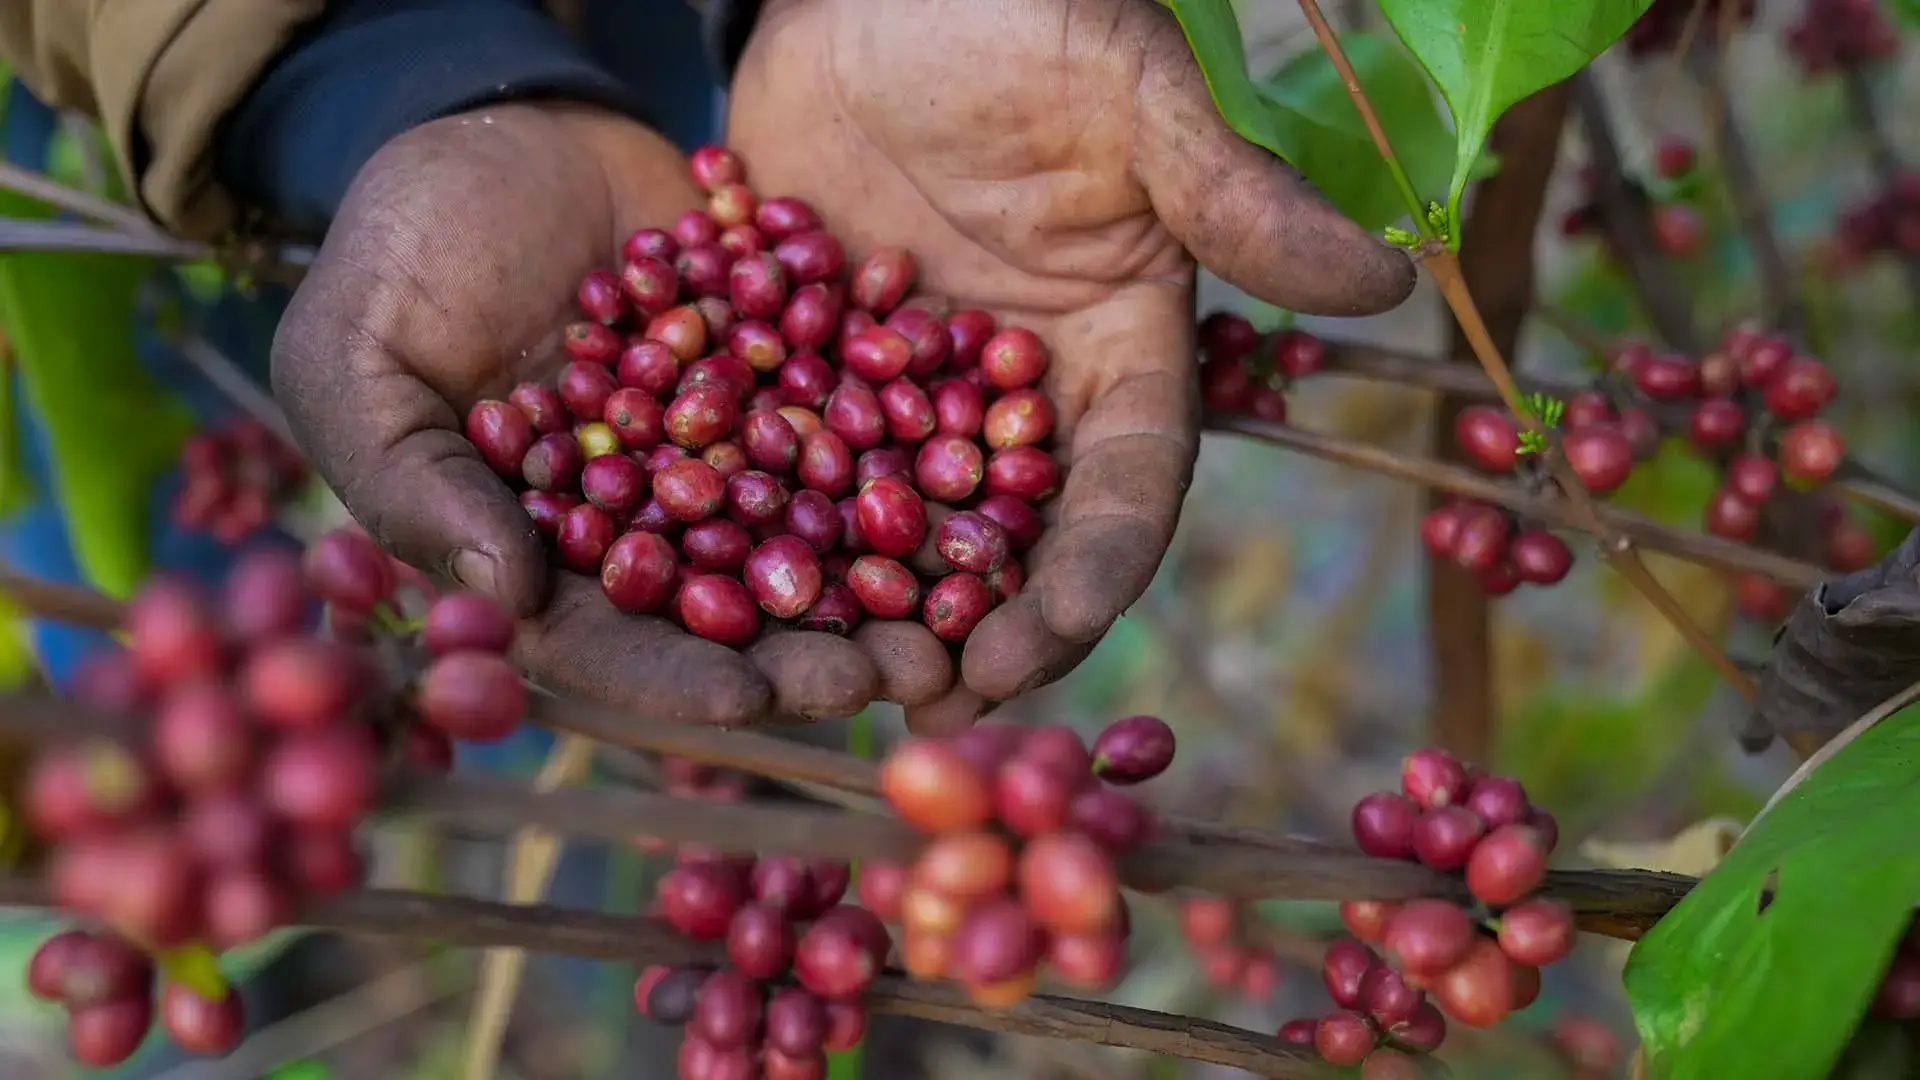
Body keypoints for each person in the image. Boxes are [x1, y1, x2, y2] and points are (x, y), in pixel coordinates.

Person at [0, 0, 1414, 733]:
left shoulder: (770, 373)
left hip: (738, 56)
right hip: (225, 92)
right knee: (264, 592)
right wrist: (366, 66)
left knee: (513, 566)